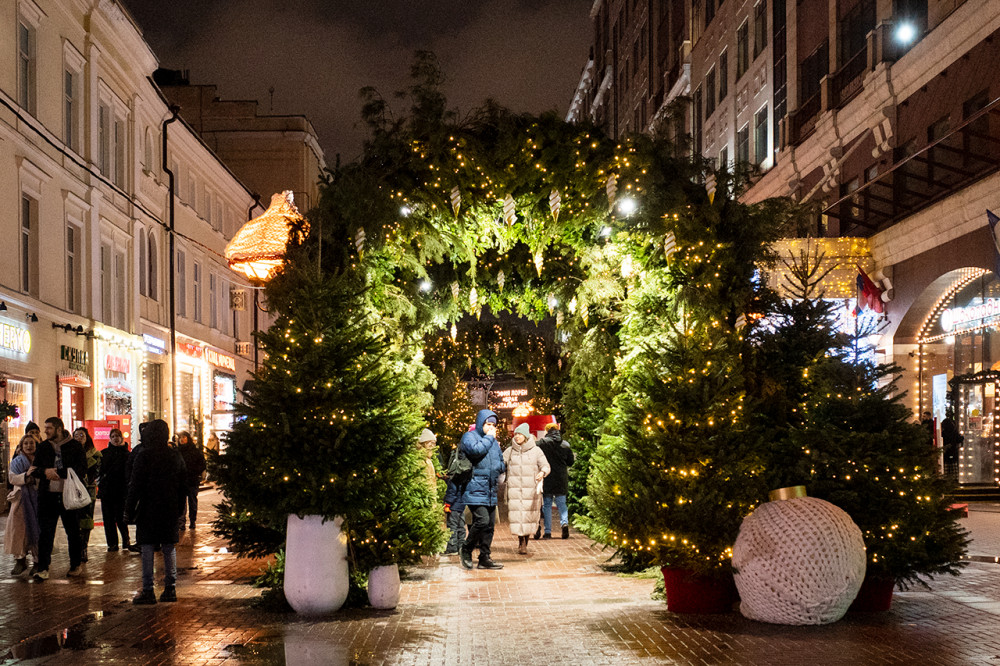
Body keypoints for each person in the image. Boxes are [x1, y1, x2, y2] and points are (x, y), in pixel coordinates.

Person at [125, 419, 187, 604]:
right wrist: (180, 507)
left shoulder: (144, 456)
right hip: (169, 507)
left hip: (148, 507)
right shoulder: (174, 455)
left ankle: (148, 589)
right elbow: (183, 485)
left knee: (147, 547)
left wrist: (128, 509)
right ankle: (170, 588)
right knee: (169, 547)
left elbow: (135, 485)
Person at [30, 417, 86, 580]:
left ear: (59, 429)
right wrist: (45, 472)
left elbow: (81, 470)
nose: (45, 430)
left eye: (49, 428)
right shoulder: (43, 447)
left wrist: (58, 473)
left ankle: (75, 564)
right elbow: (34, 469)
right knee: (46, 532)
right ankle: (43, 568)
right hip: (47, 496)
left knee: (73, 531)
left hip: (69, 496)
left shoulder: (75, 446)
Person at [458, 409, 505, 570]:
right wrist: (489, 437)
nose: (491, 428)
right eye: (488, 424)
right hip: (474, 487)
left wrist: (499, 467)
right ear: (481, 423)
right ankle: (466, 548)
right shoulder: (470, 437)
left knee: (489, 525)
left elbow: (500, 460)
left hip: (490, 488)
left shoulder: (492, 441)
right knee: (482, 520)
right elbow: (476, 451)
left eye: (493, 425)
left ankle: (485, 557)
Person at [504, 423, 550, 555]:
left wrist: (543, 472)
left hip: (531, 490)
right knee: (519, 516)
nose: (517, 436)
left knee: (528, 517)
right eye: (516, 434)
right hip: (515, 489)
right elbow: (500, 463)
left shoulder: (536, 451)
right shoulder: (510, 451)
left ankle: (525, 542)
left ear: (526, 436)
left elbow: (545, 466)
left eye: (520, 434)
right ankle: (521, 542)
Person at [5, 435, 39, 576]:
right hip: (20, 501)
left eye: (31, 443)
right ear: (21, 445)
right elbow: (12, 478)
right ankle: (20, 560)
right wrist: (26, 476)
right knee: (18, 531)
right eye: (26, 443)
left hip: (37, 501)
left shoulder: (40, 460)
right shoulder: (16, 462)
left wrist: (35, 477)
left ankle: (38, 561)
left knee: (37, 530)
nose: (29, 446)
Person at [537, 422, 575, 539]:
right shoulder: (565, 444)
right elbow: (570, 462)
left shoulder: (543, 443)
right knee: (562, 504)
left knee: (547, 505)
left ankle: (547, 532)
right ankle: (564, 524)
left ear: (547, 431)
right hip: (561, 478)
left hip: (547, 477)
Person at [99, 428, 131, 552]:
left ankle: (125, 539)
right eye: (113, 436)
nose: (115, 438)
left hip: (121, 491)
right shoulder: (104, 453)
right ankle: (112, 543)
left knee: (121, 518)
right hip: (107, 491)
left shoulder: (127, 455)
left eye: (118, 436)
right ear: (110, 438)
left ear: (122, 438)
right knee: (108, 519)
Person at [73, 427, 102, 563]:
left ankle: (83, 547)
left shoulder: (95, 455)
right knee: (74, 520)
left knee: (86, 519)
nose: (79, 438)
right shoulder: (69, 454)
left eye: (81, 435)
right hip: (73, 491)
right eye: (76, 435)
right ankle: (76, 549)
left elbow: (97, 472)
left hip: (88, 491)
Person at [175, 431, 205, 530]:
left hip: (192, 480)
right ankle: (181, 522)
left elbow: (202, 464)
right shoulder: (177, 452)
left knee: (192, 502)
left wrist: (195, 472)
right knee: (181, 503)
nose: (182, 439)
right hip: (181, 481)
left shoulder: (195, 451)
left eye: (184, 437)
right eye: (180, 438)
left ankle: (192, 521)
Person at [941, 411, 963, 480]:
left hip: (945, 452)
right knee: (953, 466)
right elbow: (959, 439)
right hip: (953, 451)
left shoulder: (943, 433)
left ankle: (946, 479)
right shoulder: (954, 432)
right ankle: (954, 479)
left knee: (946, 466)